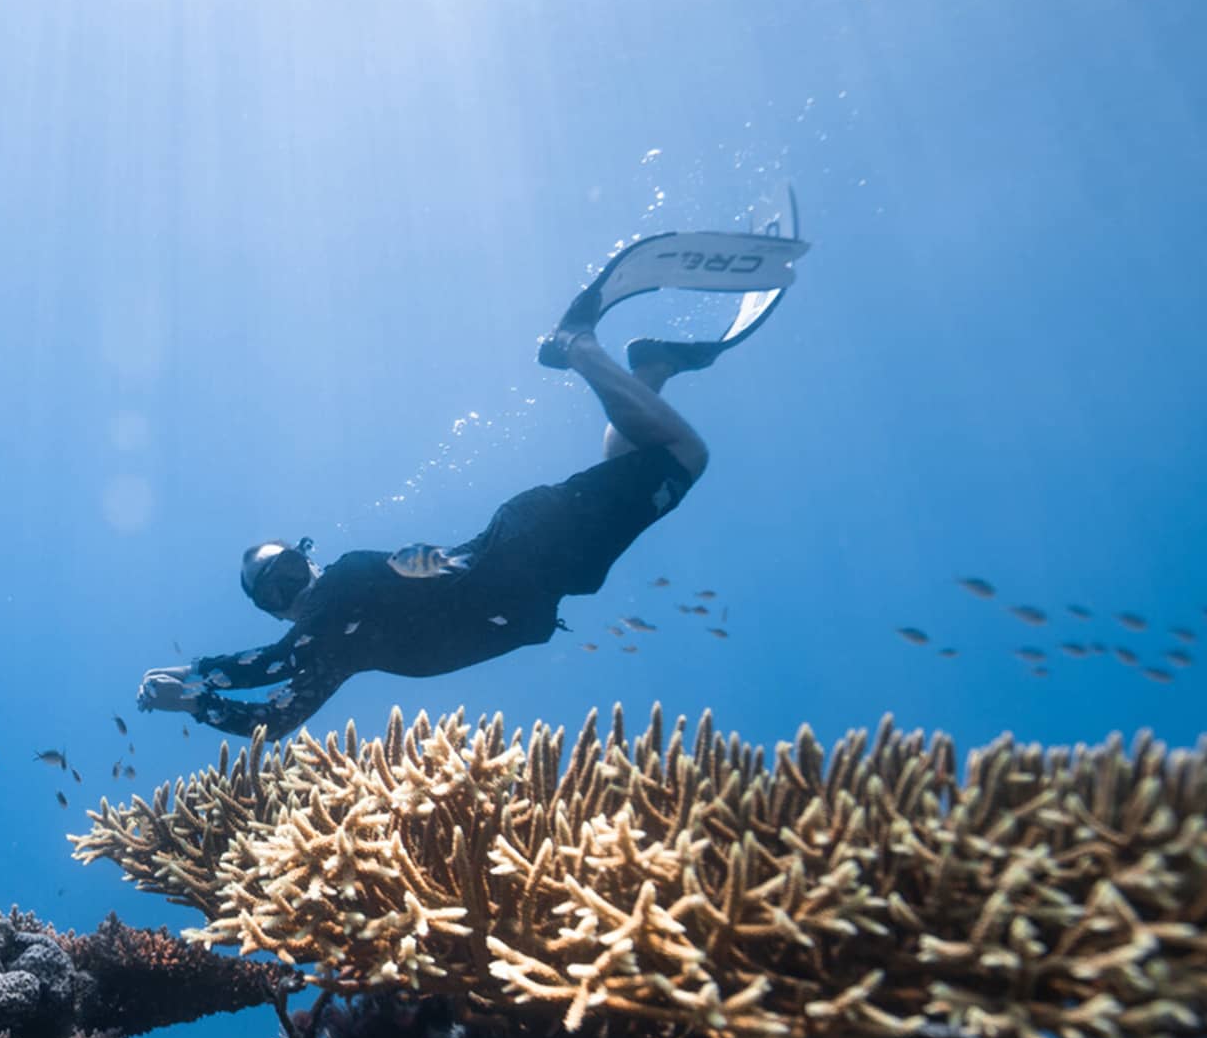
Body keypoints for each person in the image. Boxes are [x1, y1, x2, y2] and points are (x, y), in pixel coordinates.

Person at [137, 232, 796, 743]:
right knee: (655, 455)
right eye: (279, 589)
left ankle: (577, 344)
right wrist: (198, 684)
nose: (296, 589)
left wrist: (199, 688)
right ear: (276, 606)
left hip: (538, 547)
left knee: (687, 455)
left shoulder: (336, 591)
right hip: (549, 568)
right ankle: (648, 370)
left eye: (291, 570)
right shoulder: (335, 649)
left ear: (311, 559)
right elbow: (279, 708)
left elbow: (275, 661)